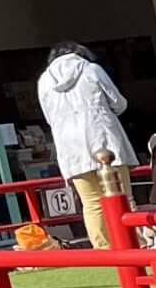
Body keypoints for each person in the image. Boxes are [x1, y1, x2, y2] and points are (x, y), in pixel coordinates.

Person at [35, 43, 137, 248]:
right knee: (124, 198)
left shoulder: (44, 80)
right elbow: (118, 102)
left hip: (70, 148)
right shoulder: (92, 70)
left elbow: (48, 118)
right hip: (105, 141)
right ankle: (134, 243)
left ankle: (104, 249)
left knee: (91, 204)